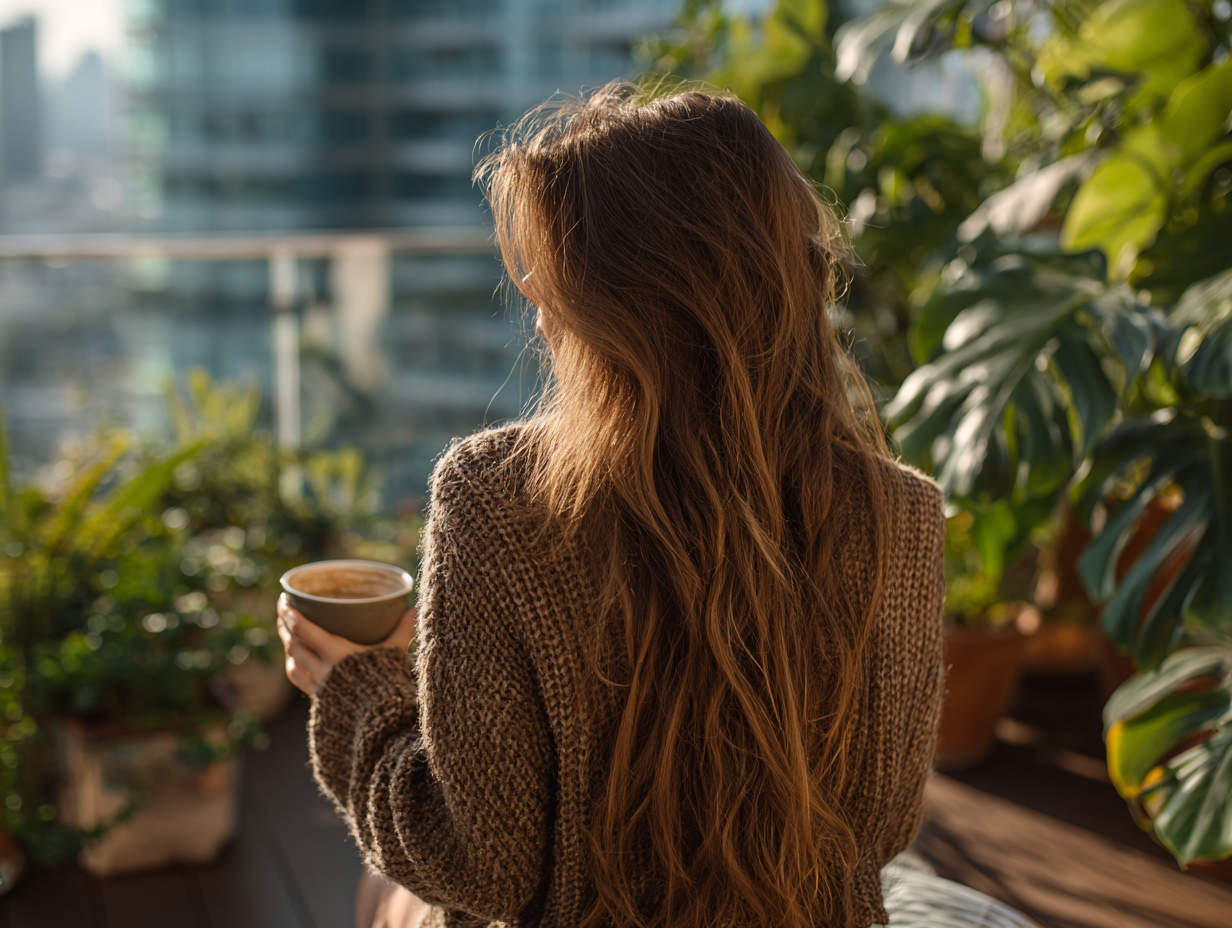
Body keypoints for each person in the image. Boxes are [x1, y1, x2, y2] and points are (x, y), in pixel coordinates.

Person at [277, 84, 1034, 928]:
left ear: (625, 298)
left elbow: (478, 866)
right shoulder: (902, 515)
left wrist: (361, 691)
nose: (535, 307)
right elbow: (883, 825)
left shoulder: (493, 498)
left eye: (556, 273)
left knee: (381, 896)